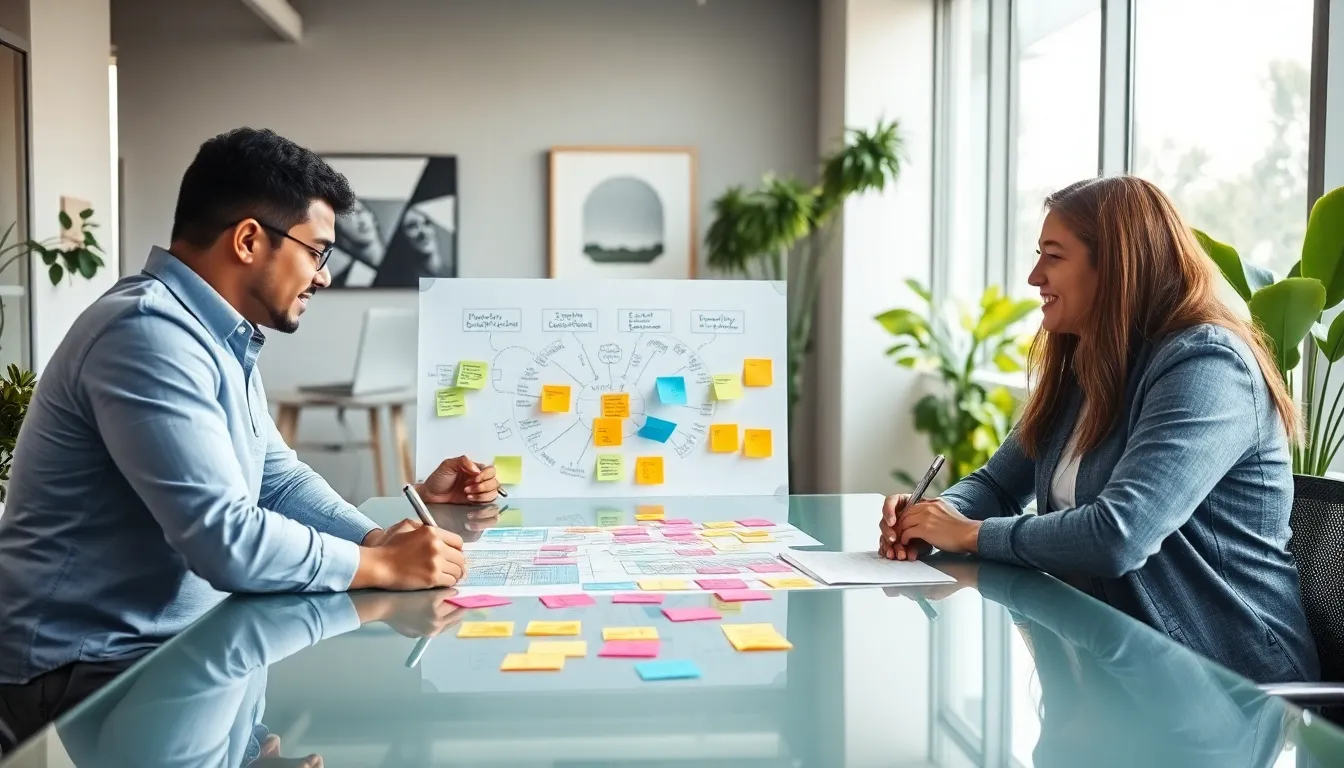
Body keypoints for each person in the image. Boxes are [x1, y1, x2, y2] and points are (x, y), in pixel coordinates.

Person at [0, 127, 497, 741]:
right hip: (89, 672)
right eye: (317, 252)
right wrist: (378, 565)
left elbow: (276, 481)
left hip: (168, 651)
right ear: (247, 240)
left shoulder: (215, 338)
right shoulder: (145, 334)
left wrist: (376, 538)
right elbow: (224, 539)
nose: (324, 276)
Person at [878, 175, 1319, 683]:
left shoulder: (1206, 365)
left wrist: (969, 533)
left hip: (1226, 680)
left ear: (1114, 266)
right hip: (1115, 657)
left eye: (1054, 256)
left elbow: (1118, 535)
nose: (1034, 276)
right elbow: (998, 484)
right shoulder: (1088, 368)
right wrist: (937, 515)